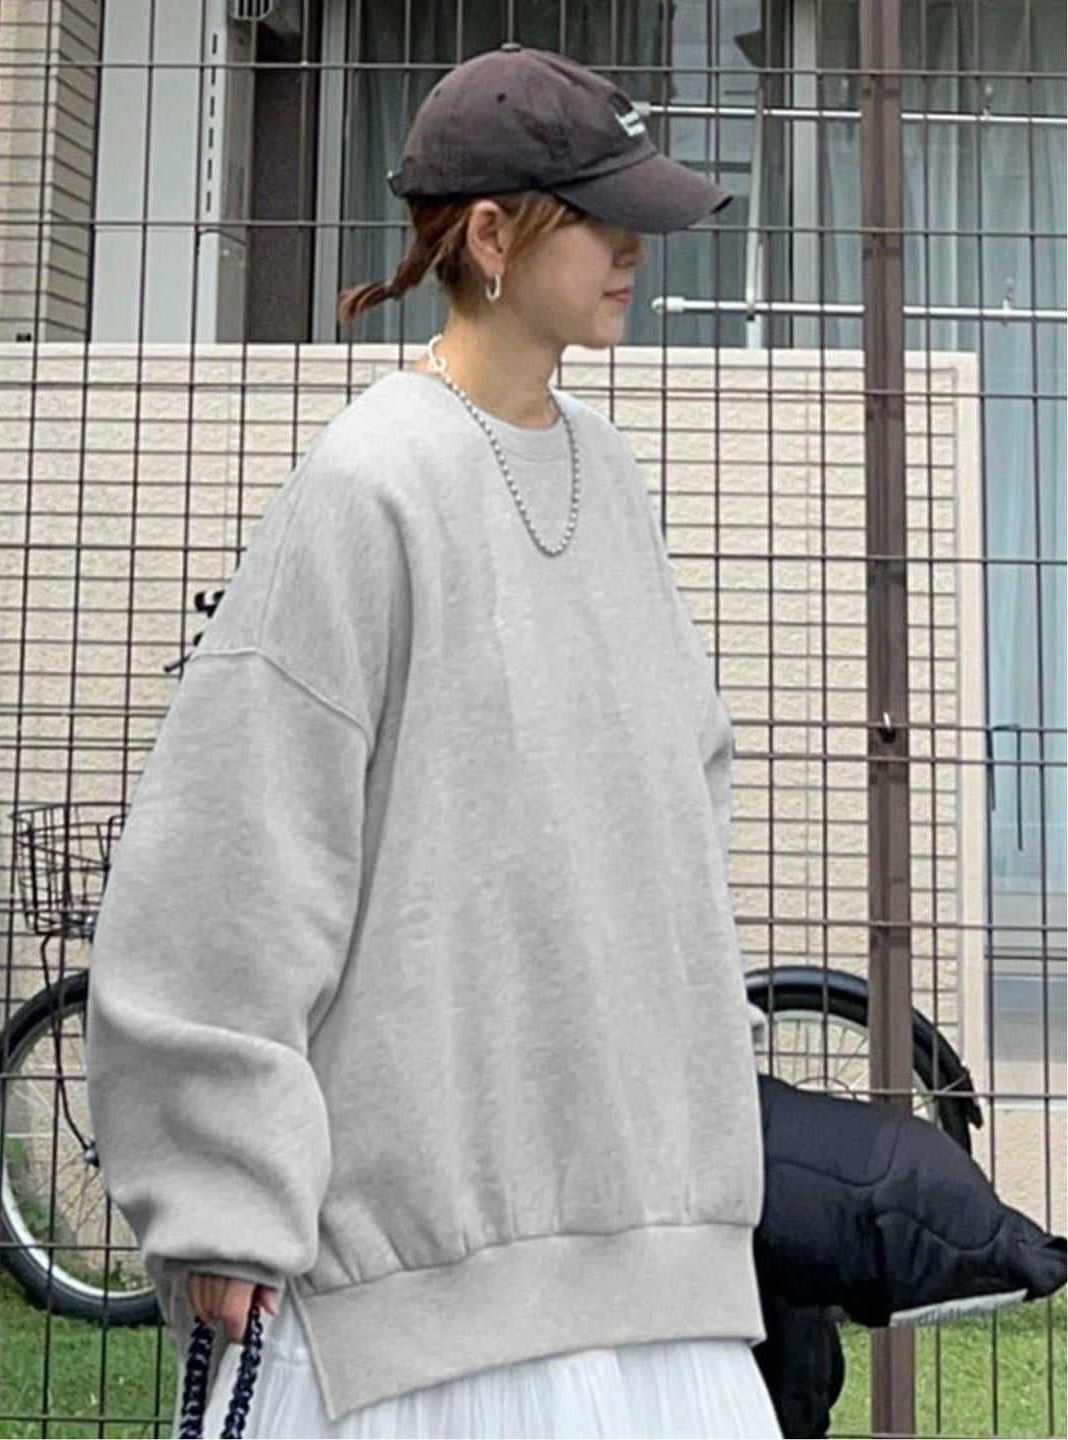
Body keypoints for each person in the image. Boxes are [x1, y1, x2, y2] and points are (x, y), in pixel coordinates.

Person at [85, 43, 783, 1440]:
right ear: (492, 237)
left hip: (646, 1264)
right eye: (600, 218)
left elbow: (681, 795)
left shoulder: (610, 472)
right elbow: (235, 854)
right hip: (416, 1298)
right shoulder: (371, 480)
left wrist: (697, 1047)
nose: (634, 249)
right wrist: (223, 1190)